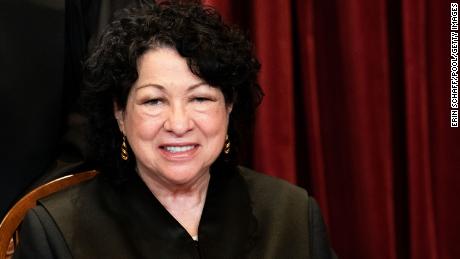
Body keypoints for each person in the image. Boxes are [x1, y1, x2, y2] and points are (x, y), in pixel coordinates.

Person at [14, 1, 337, 258]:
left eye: (200, 98)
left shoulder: (292, 214)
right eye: (154, 101)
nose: (179, 124)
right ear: (120, 114)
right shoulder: (56, 231)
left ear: (229, 106)